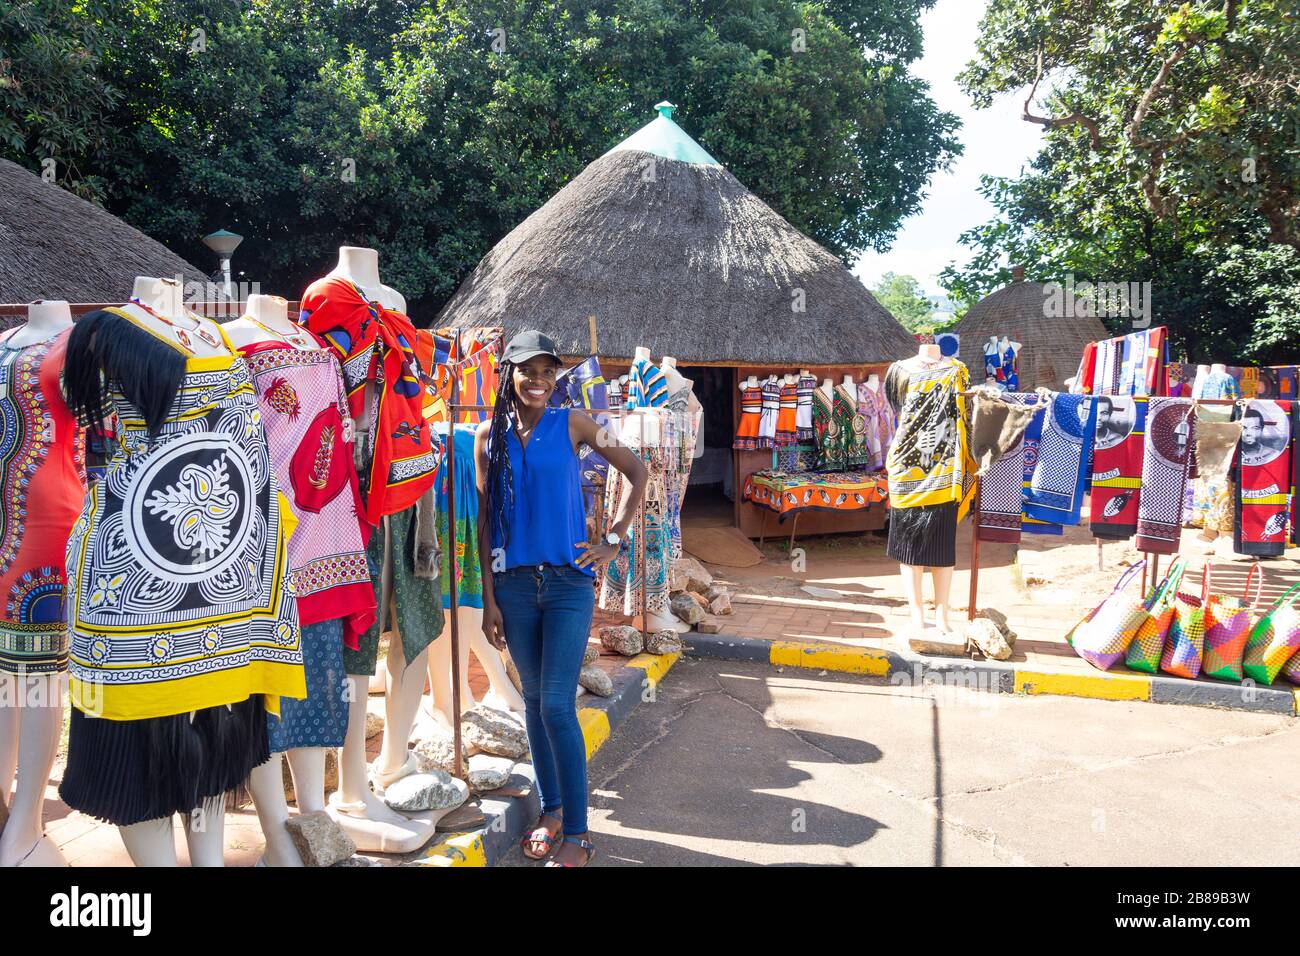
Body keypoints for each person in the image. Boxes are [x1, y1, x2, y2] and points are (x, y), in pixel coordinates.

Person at [475, 331, 648, 867]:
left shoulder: (573, 423)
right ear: (509, 373)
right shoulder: (488, 436)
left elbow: (637, 470)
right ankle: (550, 811)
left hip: (570, 582)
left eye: (549, 372)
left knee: (555, 703)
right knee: (532, 703)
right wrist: (488, 598)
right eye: (528, 371)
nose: (539, 381)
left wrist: (614, 538)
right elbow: (483, 521)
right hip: (515, 587)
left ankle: (578, 832)